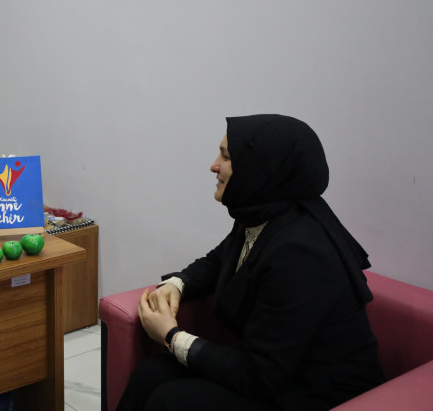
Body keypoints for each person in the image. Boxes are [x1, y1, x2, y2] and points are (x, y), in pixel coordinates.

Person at [117, 114, 385, 411]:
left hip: (318, 394)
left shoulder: (299, 252)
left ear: (261, 167)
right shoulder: (265, 214)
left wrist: (171, 336)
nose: (214, 166)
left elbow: (260, 375)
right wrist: (177, 285)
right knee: (151, 374)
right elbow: (219, 260)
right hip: (277, 376)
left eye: (226, 156)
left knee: (171, 401)